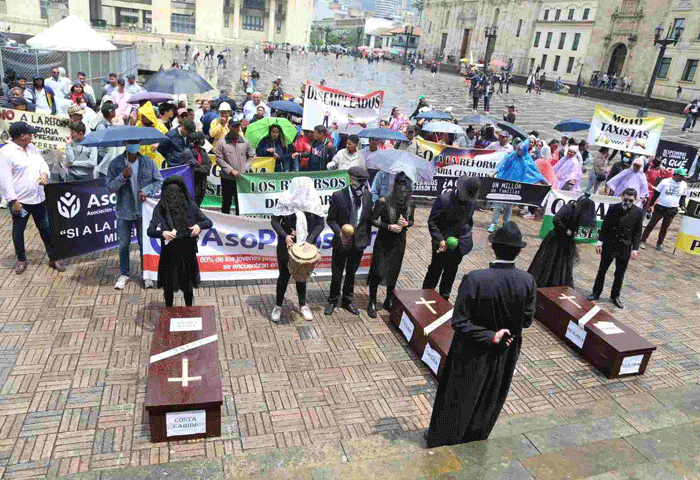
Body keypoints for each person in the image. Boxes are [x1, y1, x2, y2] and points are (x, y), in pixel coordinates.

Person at [425, 222, 535, 448]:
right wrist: (502, 334)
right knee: (490, 395)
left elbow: (459, 322)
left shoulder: (475, 279)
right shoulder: (528, 280)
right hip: (506, 350)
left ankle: (442, 438)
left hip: (471, 352)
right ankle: (475, 438)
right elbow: (526, 320)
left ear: (493, 248)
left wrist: (490, 335)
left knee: (458, 397)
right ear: (520, 251)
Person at [0, 122, 66, 274]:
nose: (32, 135)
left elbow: (42, 164)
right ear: (22, 136)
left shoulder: (32, 148)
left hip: (38, 197)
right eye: (29, 133)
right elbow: (4, 179)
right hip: (20, 201)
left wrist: (44, 174)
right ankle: (21, 259)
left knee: (46, 228)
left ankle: (53, 257)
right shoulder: (6, 153)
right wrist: (13, 200)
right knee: (18, 230)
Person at [147, 176, 212, 307]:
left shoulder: (190, 205)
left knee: (187, 287)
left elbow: (208, 222)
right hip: (169, 253)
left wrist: (199, 227)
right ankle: (169, 311)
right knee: (169, 286)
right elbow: (150, 230)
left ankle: (189, 310)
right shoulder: (161, 207)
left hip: (187, 251)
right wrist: (163, 233)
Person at [108, 140, 163, 290]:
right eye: (131, 142)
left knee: (143, 243)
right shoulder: (116, 164)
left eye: (136, 142)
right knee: (123, 245)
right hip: (124, 211)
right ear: (126, 144)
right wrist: (122, 176)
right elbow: (110, 187)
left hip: (142, 212)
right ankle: (124, 273)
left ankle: (146, 273)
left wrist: (146, 190)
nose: (134, 145)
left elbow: (158, 181)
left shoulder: (148, 163)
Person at [270, 177, 324, 322]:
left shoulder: (313, 202)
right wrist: (284, 235)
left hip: (305, 245)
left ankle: (302, 305)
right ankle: (278, 305)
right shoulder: (285, 200)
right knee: (284, 276)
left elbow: (320, 224)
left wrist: (309, 240)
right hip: (286, 245)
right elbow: (274, 221)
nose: (301, 191)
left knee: (302, 276)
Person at [324, 166, 373, 316]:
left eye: (365, 182)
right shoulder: (339, 195)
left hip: (359, 242)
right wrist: (340, 233)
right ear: (352, 180)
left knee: (351, 273)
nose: (363, 185)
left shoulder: (367, 196)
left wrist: (366, 239)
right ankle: (333, 300)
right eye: (360, 181)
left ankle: (347, 300)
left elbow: (368, 220)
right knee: (337, 273)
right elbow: (331, 219)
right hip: (342, 242)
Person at [422, 176, 480, 300]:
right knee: (435, 270)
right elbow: (432, 222)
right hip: (441, 243)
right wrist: (440, 240)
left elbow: (469, 221)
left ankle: (444, 299)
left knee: (451, 272)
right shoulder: (443, 199)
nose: (467, 199)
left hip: (458, 245)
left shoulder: (472, 202)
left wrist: (464, 237)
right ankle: (425, 296)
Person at [367, 172, 415, 317]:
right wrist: (388, 226)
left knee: (394, 270)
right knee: (377, 270)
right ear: (396, 189)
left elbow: (412, 221)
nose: (402, 195)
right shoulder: (383, 201)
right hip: (384, 240)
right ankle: (372, 301)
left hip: (399, 242)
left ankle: (389, 299)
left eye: (405, 192)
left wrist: (406, 224)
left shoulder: (410, 203)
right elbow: (372, 220)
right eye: (400, 191)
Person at [587, 188, 643, 309]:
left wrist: (635, 249)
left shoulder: (638, 212)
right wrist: (600, 243)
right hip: (610, 244)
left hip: (624, 247)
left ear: (635, 200)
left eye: (630, 200)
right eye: (625, 199)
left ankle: (615, 296)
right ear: (622, 197)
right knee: (602, 270)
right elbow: (605, 226)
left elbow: (638, 232)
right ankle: (596, 293)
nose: (627, 202)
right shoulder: (613, 208)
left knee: (619, 274)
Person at [528, 195, 596, 288]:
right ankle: (543, 281)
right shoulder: (568, 207)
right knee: (549, 260)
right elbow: (556, 219)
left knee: (562, 264)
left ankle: (557, 283)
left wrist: (574, 232)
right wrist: (565, 230)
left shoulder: (581, 213)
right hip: (555, 239)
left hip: (567, 241)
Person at [489, 140, 547, 232]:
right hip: (504, 182)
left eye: (521, 149)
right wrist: (494, 172)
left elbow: (535, 172)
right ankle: (494, 223)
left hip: (514, 186)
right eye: (518, 149)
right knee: (498, 204)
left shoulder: (527, 159)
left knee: (508, 206)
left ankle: (506, 224)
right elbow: (502, 164)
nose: (519, 151)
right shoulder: (512, 156)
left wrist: (545, 183)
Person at [640, 168, 688, 251]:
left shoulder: (684, 185)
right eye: (681, 176)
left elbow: (683, 197)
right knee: (651, 224)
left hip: (672, 208)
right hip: (661, 206)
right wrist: (651, 204)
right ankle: (642, 240)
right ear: (675, 175)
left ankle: (659, 243)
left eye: (683, 176)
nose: (682, 178)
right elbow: (656, 193)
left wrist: (682, 205)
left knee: (665, 228)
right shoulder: (665, 182)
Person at [215, 119, 255, 215]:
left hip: (240, 178)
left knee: (240, 203)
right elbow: (219, 159)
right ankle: (224, 225)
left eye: (238, 126)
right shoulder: (222, 142)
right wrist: (230, 170)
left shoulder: (245, 142)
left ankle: (239, 224)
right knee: (226, 202)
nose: (236, 128)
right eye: (234, 126)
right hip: (227, 178)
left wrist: (244, 168)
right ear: (229, 127)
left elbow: (251, 157)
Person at [178, 132, 211, 206]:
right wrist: (198, 168)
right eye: (202, 140)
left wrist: (198, 168)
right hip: (191, 186)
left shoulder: (203, 152)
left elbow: (208, 166)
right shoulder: (186, 153)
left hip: (201, 185)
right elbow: (185, 170)